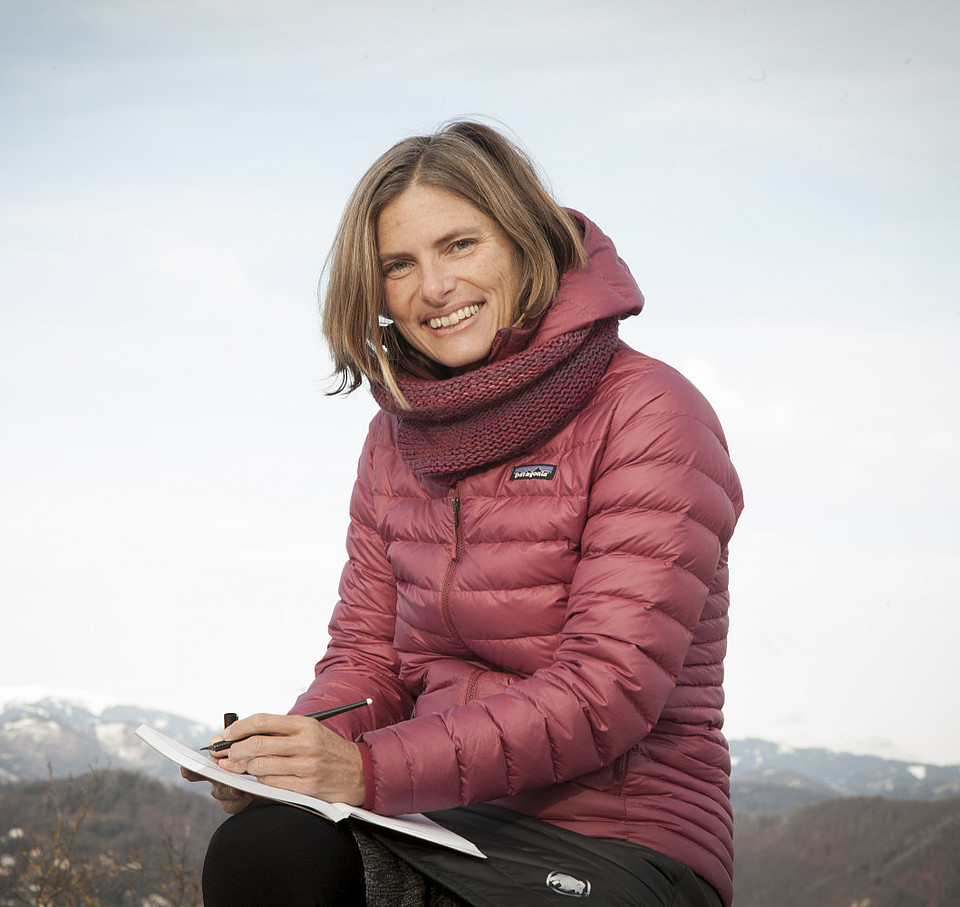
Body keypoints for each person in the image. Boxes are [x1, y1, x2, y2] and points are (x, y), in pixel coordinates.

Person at [185, 120, 743, 907]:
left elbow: (606, 691)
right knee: (265, 850)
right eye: (399, 265)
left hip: (617, 833)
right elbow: (367, 661)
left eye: (459, 245)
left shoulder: (650, 410)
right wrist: (291, 755)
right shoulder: (393, 437)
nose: (433, 288)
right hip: (431, 815)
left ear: (522, 240)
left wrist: (365, 770)